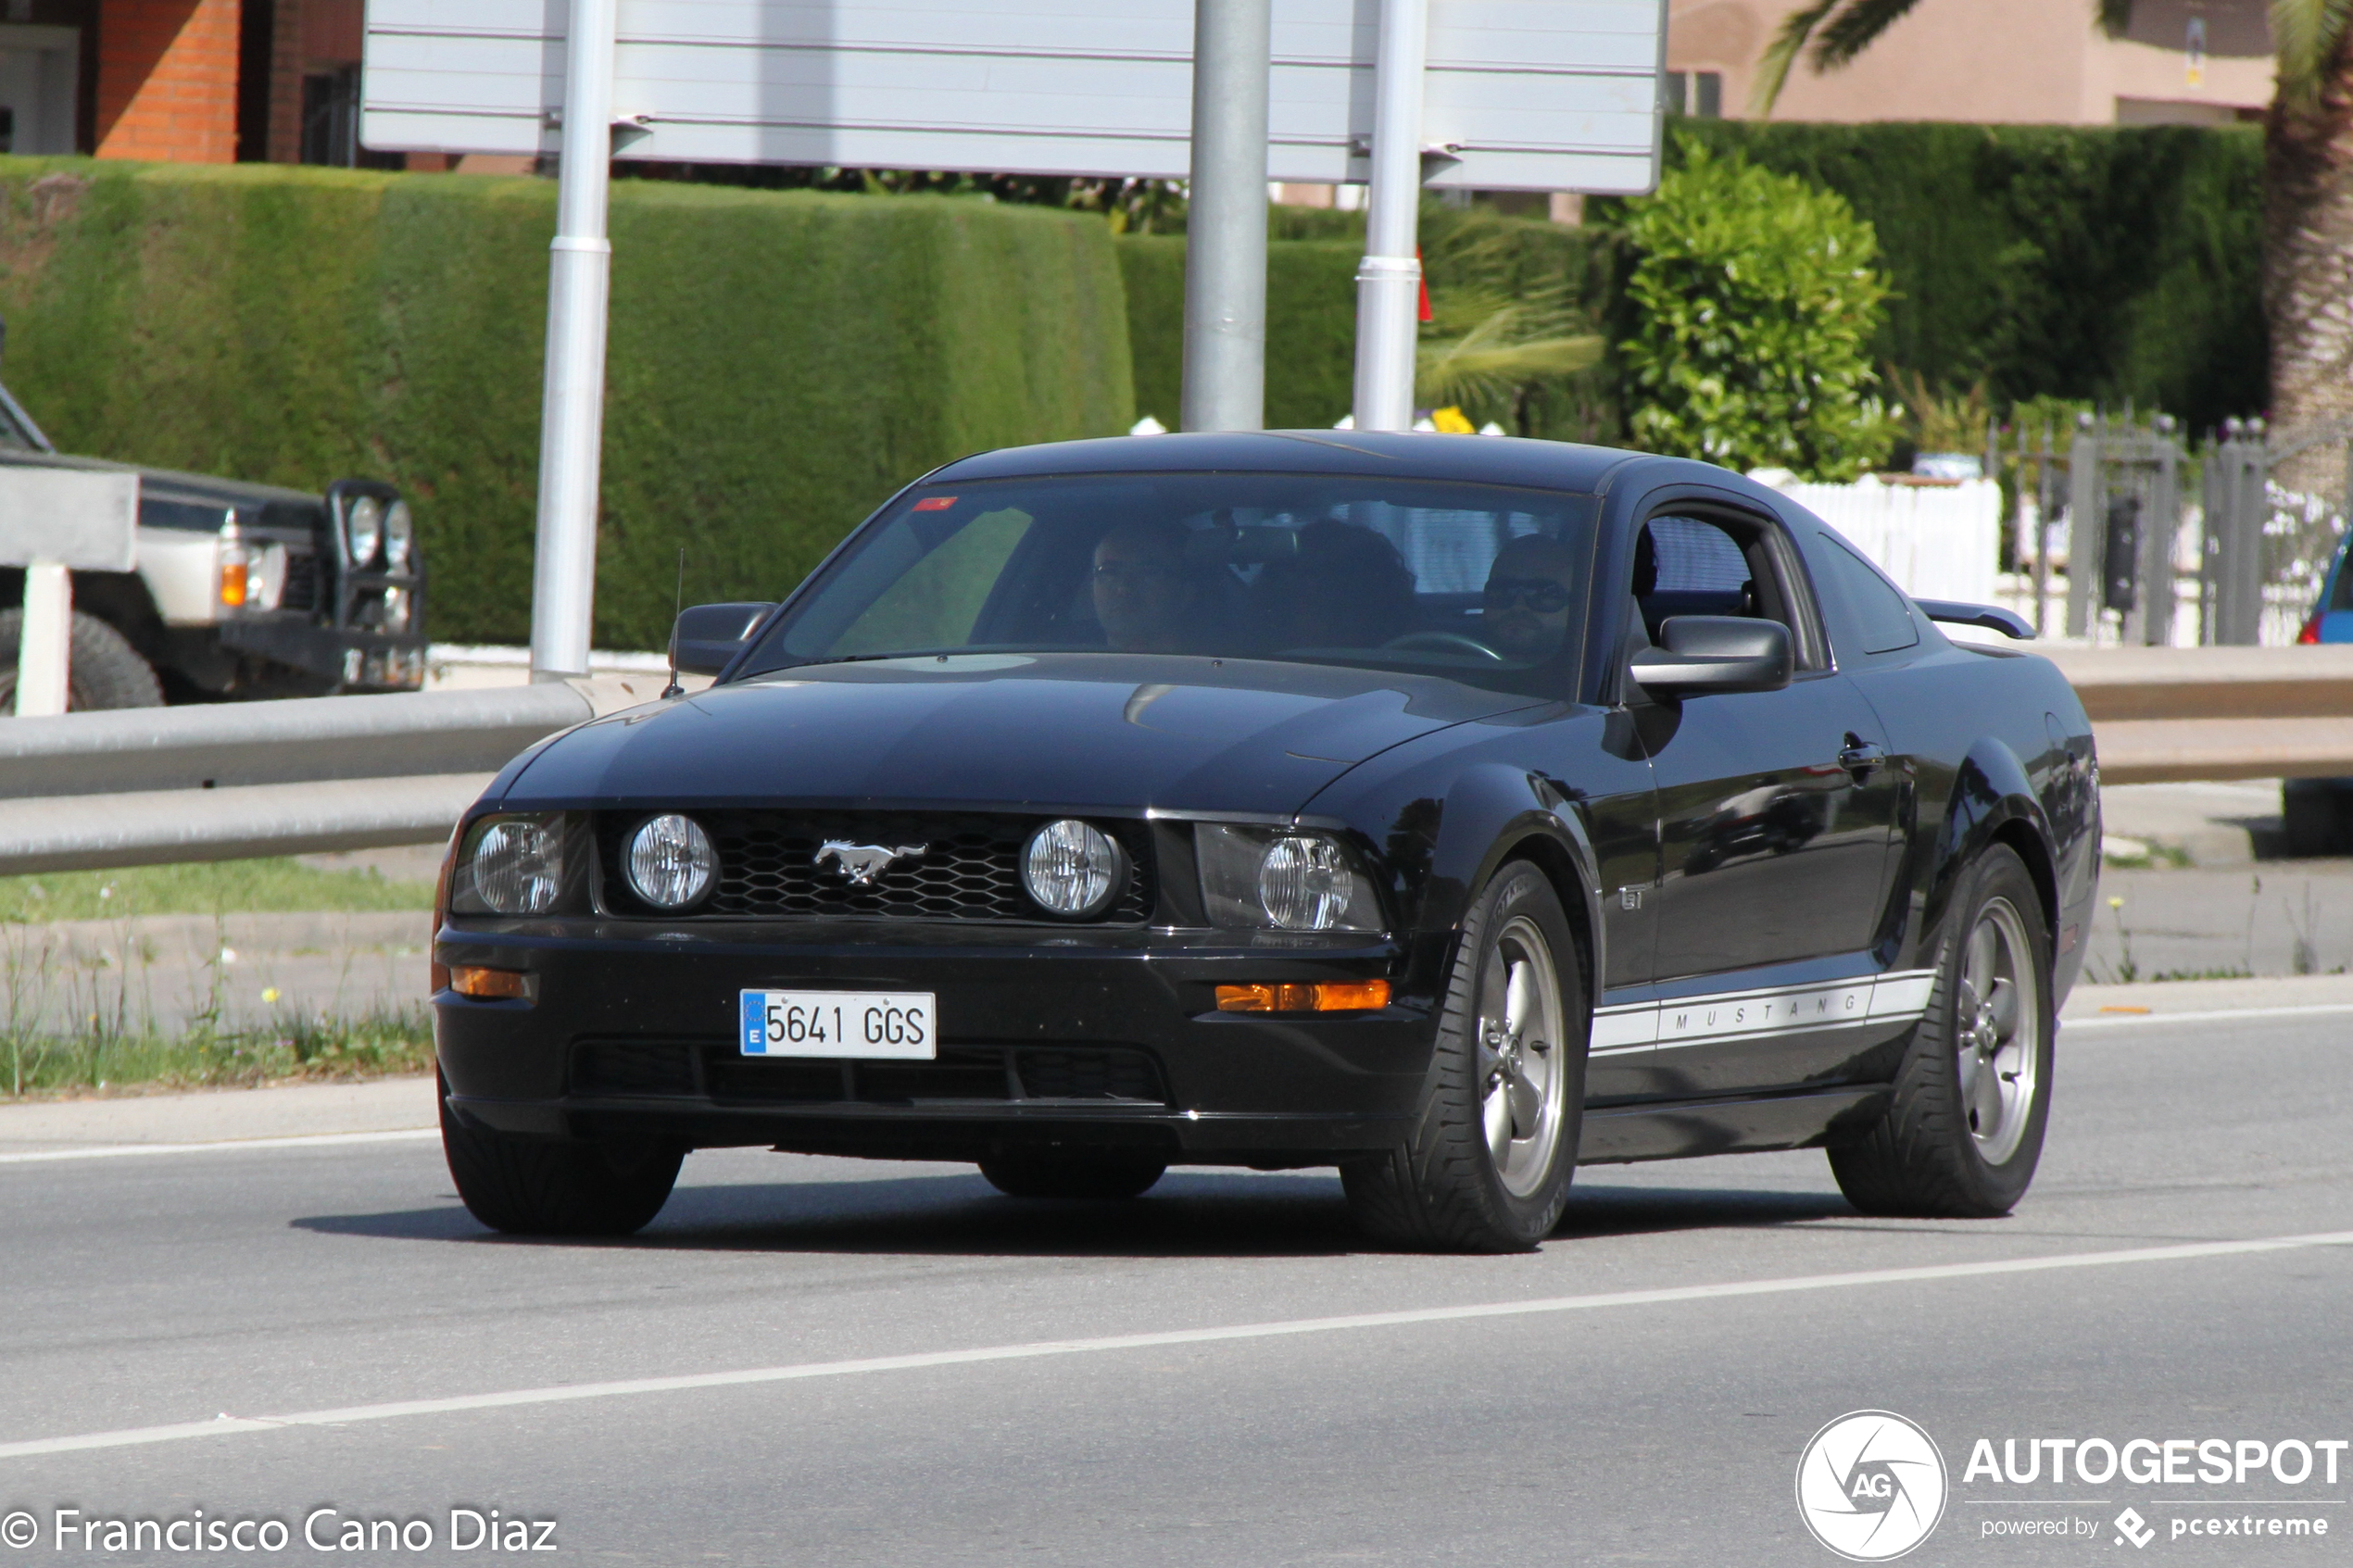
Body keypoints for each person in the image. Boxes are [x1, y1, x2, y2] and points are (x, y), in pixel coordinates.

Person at [1091, 519, 1203, 653]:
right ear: (1092, 590)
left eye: (1147, 573)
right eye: (1110, 572)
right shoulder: (1067, 663)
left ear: (1186, 594)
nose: (1124, 589)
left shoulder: (1221, 667)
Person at [1480, 533, 1580, 661]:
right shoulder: (1451, 662)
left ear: (1577, 609)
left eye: (1543, 593)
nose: (1518, 606)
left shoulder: (1594, 675)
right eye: (1503, 590)